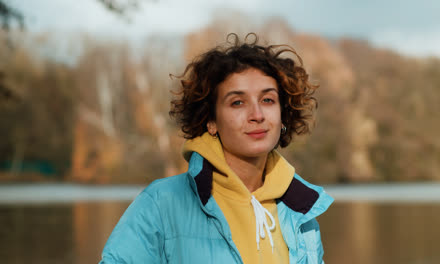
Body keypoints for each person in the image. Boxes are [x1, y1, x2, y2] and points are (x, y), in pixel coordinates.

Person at [99, 33, 333, 264]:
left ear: (283, 115)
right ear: (211, 121)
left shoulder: (302, 212)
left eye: (268, 100)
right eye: (237, 102)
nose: (257, 115)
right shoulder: (162, 203)